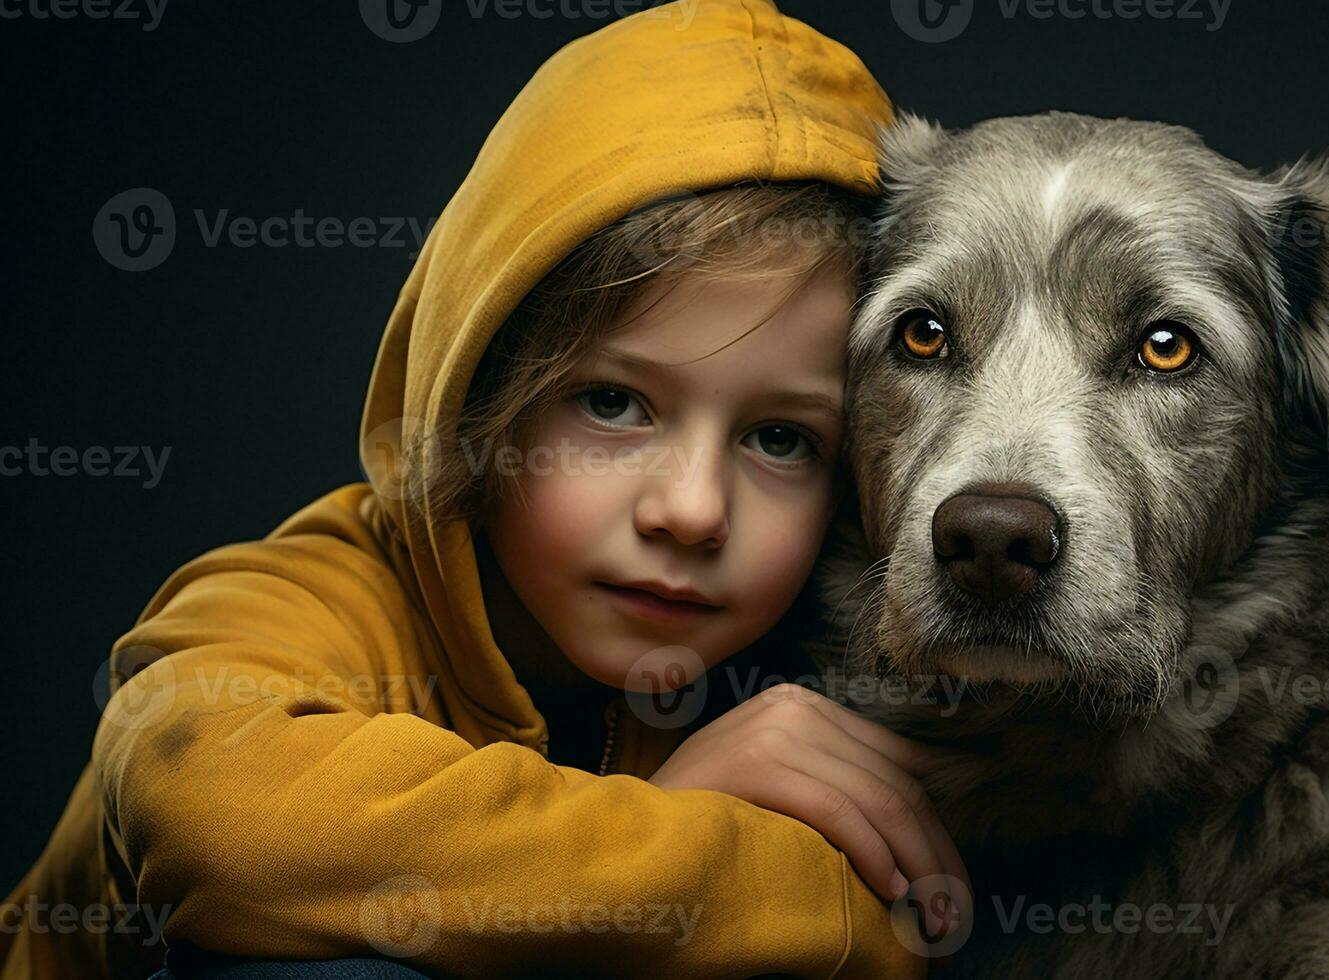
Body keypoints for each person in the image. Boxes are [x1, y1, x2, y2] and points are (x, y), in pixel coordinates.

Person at [0, 2, 966, 976]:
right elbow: (211, 818)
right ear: (482, 395)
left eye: (779, 438)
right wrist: (680, 832)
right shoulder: (305, 598)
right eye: (613, 404)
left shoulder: (811, 662)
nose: (692, 510)